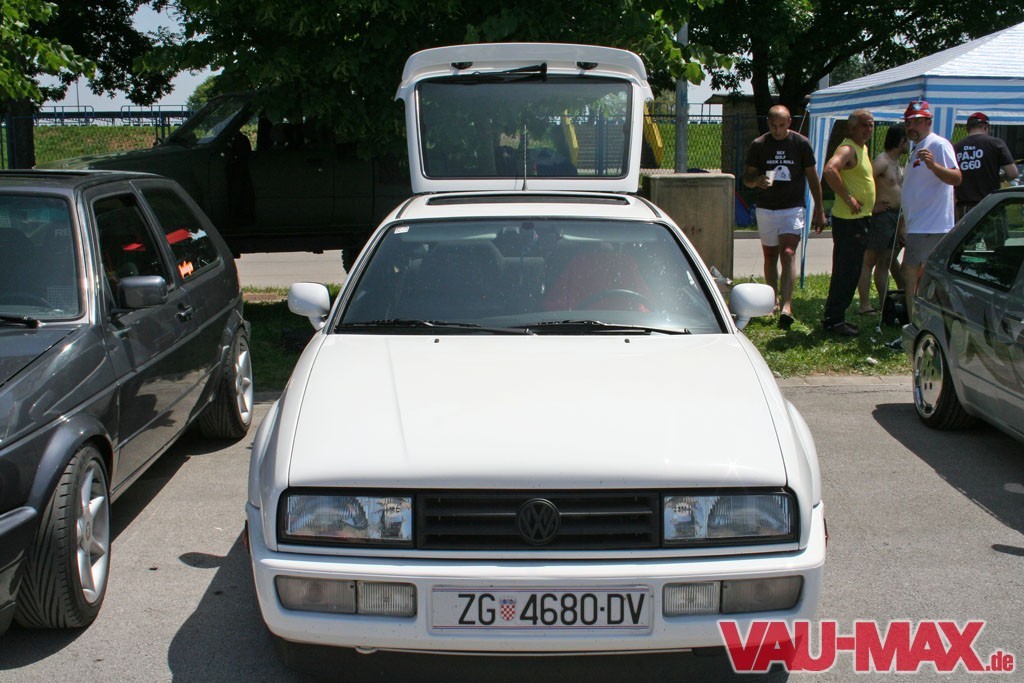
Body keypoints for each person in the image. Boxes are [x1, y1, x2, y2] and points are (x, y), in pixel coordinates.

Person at [743, 105, 827, 330]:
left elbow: (813, 178)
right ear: (768, 124)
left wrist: (819, 209)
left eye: (781, 125)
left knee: (788, 252)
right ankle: (773, 300)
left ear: (789, 122)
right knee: (770, 255)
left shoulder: (801, 143)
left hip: (792, 208)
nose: (777, 130)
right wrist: (756, 181)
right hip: (766, 208)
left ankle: (787, 306)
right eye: (773, 126)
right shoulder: (759, 144)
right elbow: (747, 179)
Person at [899, 100, 961, 316]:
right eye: (908, 122)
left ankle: (915, 323)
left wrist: (934, 166)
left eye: (917, 122)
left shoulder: (938, 144)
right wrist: (904, 221)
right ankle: (921, 320)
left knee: (910, 273)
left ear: (928, 122)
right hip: (918, 224)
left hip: (931, 225)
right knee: (918, 275)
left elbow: (956, 177)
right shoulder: (916, 148)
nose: (911, 127)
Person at [820, 109, 876, 336]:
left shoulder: (862, 148)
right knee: (846, 271)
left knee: (852, 271)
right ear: (851, 128)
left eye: (871, 125)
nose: (868, 129)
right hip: (849, 222)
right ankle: (834, 321)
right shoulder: (848, 148)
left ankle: (836, 317)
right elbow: (829, 170)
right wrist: (848, 197)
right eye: (864, 125)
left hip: (860, 219)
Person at [857, 124, 907, 315]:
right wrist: (871, 207)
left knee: (886, 261)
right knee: (869, 260)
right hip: (882, 217)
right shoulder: (882, 161)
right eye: (907, 140)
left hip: (895, 216)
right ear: (901, 141)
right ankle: (864, 305)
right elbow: (863, 182)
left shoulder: (897, 163)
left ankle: (885, 305)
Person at [953, 112, 1019, 220]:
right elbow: (1013, 173)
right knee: (995, 232)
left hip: (965, 207)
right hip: (991, 205)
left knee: (968, 232)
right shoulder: (996, 143)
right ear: (986, 127)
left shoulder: (955, 148)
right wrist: (1000, 177)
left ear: (967, 128)